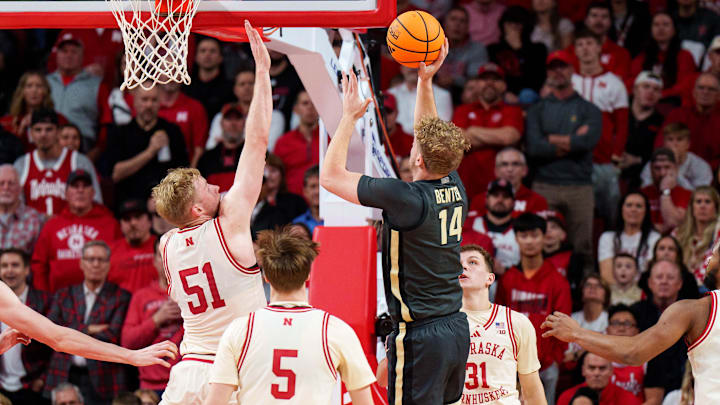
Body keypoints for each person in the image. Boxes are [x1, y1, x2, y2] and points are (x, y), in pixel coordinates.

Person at [321, 41, 471, 404]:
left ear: (419, 161)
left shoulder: (407, 198)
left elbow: (330, 177)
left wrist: (348, 118)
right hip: (454, 326)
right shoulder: (455, 184)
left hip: (420, 334)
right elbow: (428, 133)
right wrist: (425, 81)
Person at [151, 22, 270, 405]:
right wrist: (263, 72)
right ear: (197, 208)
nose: (218, 186)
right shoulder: (231, 221)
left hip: (188, 373)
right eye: (207, 186)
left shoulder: (166, 244)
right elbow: (256, 142)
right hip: (237, 370)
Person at [203, 228, 376, 404]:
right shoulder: (335, 329)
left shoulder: (240, 329)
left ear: (266, 277)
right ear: (308, 275)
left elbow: (215, 401)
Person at [542, 253, 720, 403]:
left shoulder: (695, 310)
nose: (708, 258)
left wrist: (576, 333)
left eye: (715, 252)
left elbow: (633, 352)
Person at [525, 50, 602, 274]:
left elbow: (587, 142)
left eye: (563, 66)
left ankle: (584, 299)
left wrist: (551, 140)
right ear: (548, 72)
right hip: (544, 184)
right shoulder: (537, 109)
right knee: (541, 246)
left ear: (572, 69)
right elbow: (534, 148)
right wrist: (572, 140)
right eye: (553, 67)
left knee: (583, 247)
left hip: (580, 185)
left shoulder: (590, 109)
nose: (558, 72)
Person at [494, 213, 572, 405]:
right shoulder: (508, 279)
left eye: (535, 235)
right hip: (510, 365)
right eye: (524, 235)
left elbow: (564, 323)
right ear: (516, 238)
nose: (529, 241)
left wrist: (555, 358)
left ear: (544, 237)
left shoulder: (557, 281)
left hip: (545, 366)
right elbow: (498, 320)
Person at [458, 244, 547, 404]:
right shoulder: (441, 323)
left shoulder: (516, 322)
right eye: (458, 265)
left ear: (490, 278)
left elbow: (532, 389)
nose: (463, 266)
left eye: (472, 262)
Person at [44, 241, 132, 403]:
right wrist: (90, 329)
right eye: (90, 259)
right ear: (81, 263)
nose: (95, 264)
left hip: (104, 377)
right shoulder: (64, 294)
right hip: (64, 372)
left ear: (108, 264)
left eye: (101, 260)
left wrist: (68, 333)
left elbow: (113, 335)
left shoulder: (121, 296)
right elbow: (50, 331)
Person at [572, 29, 629, 224]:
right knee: (580, 216)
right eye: (580, 44)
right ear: (575, 50)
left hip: (604, 160)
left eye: (589, 43)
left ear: (599, 47)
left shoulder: (614, 83)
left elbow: (622, 125)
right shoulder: (569, 82)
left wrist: (617, 155)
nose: (585, 48)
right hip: (574, 161)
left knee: (611, 213)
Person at [31, 170, 121, 293]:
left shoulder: (110, 224)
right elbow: (39, 266)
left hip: (101, 298)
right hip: (58, 300)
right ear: (66, 193)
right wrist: (44, 297)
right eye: (75, 186)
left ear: (93, 193)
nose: (80, 190)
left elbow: (119, 262)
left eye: (85, 186)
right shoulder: (51, 226)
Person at [106, 84, 189, 203]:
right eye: (144, 99)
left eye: (154, 100)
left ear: (160, 102)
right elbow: (115, 174)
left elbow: (183, 174)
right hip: (130, 205)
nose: (149, 105)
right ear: (134, 101)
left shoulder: (172, 131)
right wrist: (150, 152)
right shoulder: (120, 133)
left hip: (165, 203)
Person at [452, 64, 524, 200]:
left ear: (504, 85)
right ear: (477, 84)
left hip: (502, 188)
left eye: (495, 80)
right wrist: (495, 137)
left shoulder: (512, 110)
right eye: (484, 79)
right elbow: (457, 141)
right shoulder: (462, 110)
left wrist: (472, 131)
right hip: (465, 185)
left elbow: (508, 137)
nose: (490, 83)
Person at [13, 109, 102, 216]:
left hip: (72, 229)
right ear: (31, 133)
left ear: (58, 132)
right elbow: (14, 210)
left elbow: (96, 203)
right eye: (38, 130)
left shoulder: (79, 162)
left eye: (49, 129)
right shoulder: (21, 164)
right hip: (34, 230)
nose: (43, 135)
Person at [121, 239, 182, 394]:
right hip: (149, 387)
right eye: (161, 255)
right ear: (154, 260)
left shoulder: (192, 294)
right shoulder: (141, 296)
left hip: (185, 381)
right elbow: (128, 342)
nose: (166, 260)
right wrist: (157, 319)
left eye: (171, 255)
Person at [0, 248, 52, 405]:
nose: (9, 270)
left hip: (32, 387)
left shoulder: (44, 301)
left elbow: (58, 346)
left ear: (27, 270)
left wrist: (43, 379)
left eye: (15, 265)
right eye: (4, 265)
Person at [46, 34, 108, 153]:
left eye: (74, 52)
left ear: (82, 55)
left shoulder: (97, 85)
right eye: (64, 51)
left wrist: (94, 155)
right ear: (57, 54)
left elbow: (105, 125)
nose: (69, 55)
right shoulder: (45, 82)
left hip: (83, 146)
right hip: (48, 145)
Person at [629, 12, 697, 101]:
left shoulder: (684, 56)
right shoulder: (642, 56)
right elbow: (631, 82)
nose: (660, 28)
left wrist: (660, 95)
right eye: (656, 25)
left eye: (666, 24)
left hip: (673, 103)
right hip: (644, 102)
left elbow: (685, 86)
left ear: (674, 30)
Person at [597, 191, 660, 283]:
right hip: (615, 293)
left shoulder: (654, 238)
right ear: (621, 209)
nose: (633, 209)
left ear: (646, 211)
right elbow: (606, 276)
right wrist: (623, 294)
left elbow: (653, 273)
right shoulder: (607, 238)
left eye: (638, 206)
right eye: (629, 205)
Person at [468, 147, 548, 218]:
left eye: (515, 164)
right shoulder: (479, 200)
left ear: (525, 170)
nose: (510, 169)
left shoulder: (537, 201)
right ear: (496, 171)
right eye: (504, 164)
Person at [488, 6, 548, 100]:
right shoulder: (492, 49)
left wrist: (518, 49)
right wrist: (505, 93)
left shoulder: (538, 49)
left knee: (526, 94)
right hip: (501, 94)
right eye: (509, 23)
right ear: (503, 25)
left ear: (526, 26)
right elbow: (493, 78)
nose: (513, 27)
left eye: (518, 23)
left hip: (531, 95)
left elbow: (536, 80)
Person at [662, 73, 720, 170]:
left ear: (719, 96)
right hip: (673, 169)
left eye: (711, 89)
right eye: (701, 88)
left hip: (711, 175)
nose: (705, 92)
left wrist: (702, 169)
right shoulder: (677, 115)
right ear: (694, 92)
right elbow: (661, 145)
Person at [620, 71, 665, 189]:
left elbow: (661, 153)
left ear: (660, 96)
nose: (650, 92)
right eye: (646, 87)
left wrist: (637, 160)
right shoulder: (618, 113)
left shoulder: (662, 122)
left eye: (656, 89)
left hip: (643, 177)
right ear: (635, 89)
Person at [465, 179, 520, 272]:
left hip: (508, 283)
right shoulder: (469, 224)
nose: (500, 200)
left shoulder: (522, 230)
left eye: (506, 196)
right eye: (495, 195)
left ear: (514, 202)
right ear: (486, 199)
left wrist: (505, 271)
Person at [0, 71, 66, 149]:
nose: (34, 90)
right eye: (29, 86)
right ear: (22, 91)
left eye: (39, 86)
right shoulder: (6, 122)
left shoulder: (59, 120)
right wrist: (21, 130)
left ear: (45, 91)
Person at [568, 2, 632, 80]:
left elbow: (619, 83)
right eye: (594, 15)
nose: (599, 20)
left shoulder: (621, 54)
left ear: (611, 22)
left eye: (604, 16)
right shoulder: (571, 51)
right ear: (586, 21)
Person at [273, 90, 320, 195]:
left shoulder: (329, 140)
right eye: (305, 103)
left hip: (325, 201)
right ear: (296, 109)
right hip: (292, 205)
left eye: (313, 103)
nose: (310, 107)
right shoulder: (283, 142)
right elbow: (275, 176)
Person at [437, 7, 489, 102]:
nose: (457, 24)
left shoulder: (477, 49)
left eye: (462, 21)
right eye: (453, 19)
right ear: (444, 24)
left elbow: (476, 80)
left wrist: (453, 80)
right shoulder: (430, 47)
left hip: (463, 97)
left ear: (468, 27)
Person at [604, 304, 653, 403]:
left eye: (627, 324)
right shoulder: (595, 359)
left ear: (637, 331)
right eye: (616, 323)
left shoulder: (649, 360)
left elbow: (654, 400)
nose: (621, 329)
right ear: (607, 330)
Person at [641, 122, 712, 189]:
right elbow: (646, 189)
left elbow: (700, 195)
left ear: (688, 144)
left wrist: (675, 170)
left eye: (679, 139)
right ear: (664, 143)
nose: (674, 144)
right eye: (670, 139)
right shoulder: (655, 164)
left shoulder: (701, 166)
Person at [108, 199, 158, 294]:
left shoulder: (163, 246)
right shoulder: (110, 252)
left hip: (158, 305)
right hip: (121, 307)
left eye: (138, 217)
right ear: (120, 225)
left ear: (150, 221)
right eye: (127, 219)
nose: (133, 223)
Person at [387, 65, 453, 136]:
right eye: (408, 62)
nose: (413, 67)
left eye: (418, 63)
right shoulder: (390, 94)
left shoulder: (442, 95)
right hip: (394, 143)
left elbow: (440, 128)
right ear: (402, 68)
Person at [674, 186, 720, 284]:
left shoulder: (718, 234)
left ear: (716, 207)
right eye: (698, 201)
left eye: (707, 202)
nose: (702, 206)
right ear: (692, 207)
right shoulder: (678, 234)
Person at [556, 353, 641, 405]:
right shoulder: (567, 397)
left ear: (611, 371)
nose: (597, 373)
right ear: (583, 371)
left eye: (602, 368)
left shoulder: (629, 399)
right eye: (591, 368)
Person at [196, 104, 245, 193]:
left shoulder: (255, 156)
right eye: (229, 119)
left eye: (237, 118)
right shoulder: (207, 158)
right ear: (221, 123)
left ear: (244, 122)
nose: (233, 124)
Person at [157, 82, 208, 168]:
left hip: (183, 168)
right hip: (151, 173)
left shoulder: (195, 107)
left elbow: (199, 148)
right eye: (166, 70)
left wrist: (190, 176)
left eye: (176, 71)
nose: (171, 76)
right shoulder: (148, 106)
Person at [640, 148, 692, 232]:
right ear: (650, 169)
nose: (662, 173)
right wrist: (658, 228)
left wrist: (665, 191)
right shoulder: (642, 193)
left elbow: (673, 223)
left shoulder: (686, 194)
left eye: (667, 167)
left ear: (676, 168)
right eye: (657, 168)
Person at [183, 36, 234, 121]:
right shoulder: (186, 87)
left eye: (212, 51)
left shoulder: (230, 89)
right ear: (196, 57)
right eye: (203, 51)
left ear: (220, 57)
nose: (207, 55)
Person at [565, 275, 610, 363]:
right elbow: (566, 357)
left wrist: (577, 354)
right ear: (581, 292)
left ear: (606, 296)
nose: (593, 288)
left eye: (599, 286)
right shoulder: (570, 319)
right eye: (588, 285)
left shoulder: (610, 320)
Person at [0, 164, 44, 253]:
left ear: (20, 188)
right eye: (1, 183)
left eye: (11, 183)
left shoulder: (35, 219)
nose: (6, 188)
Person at [292, 165, 323, 234]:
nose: (317, 191)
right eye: (313, 186)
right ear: (305, 192)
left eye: (321, 187)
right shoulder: (297, 224)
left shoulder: (337, 221)